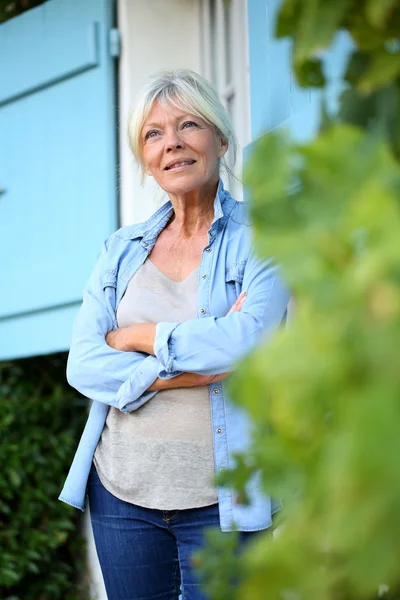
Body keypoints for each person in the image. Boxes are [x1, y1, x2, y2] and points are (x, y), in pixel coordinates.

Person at [60, 69, 290, 599]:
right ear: (144, 157)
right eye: (154, 133)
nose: (173, 144)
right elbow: (83, 363)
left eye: (189, 125)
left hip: (225, 498)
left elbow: (245, 341)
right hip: (122, 493)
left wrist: (139, 335)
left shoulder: (262, 238)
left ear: (221, 138)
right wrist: (181, 371)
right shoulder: (120, 249)